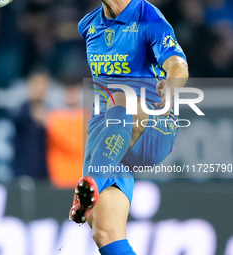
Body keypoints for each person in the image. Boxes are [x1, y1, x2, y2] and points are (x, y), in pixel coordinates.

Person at [68, 0, 188, 254]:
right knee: (104, 234)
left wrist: (171, 86)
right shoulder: (89, 24)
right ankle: (90, 189)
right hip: (108, 139)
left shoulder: (149, 18)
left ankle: (91, 185)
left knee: (121, 97)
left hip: (151, 128)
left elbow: (178, 64)